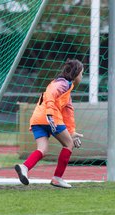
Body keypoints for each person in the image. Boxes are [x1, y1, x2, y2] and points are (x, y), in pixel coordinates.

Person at [15, 59, 84, 188]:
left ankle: (24, 167)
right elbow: (51, 93)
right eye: (82, 74)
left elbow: (68, 111)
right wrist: (50, 114)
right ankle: (57, 178)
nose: (82, 77)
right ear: (76, 74)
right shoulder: (63, 84)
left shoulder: (66, 87)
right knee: (68, 144)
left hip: (37, 119)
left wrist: (72, 131)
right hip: (50, 117)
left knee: (42, 149)